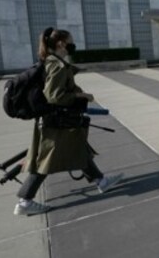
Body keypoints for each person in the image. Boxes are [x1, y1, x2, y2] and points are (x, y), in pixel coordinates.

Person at [14, 28, 123, 216]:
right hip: (57, 121)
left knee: (77, 149)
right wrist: (81, 95)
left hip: (56, 120)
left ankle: (102, 182)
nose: (73, 44)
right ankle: (24, 202)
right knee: (46, 160)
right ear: (61, 44)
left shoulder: (52, 62)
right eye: (71, 41)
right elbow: (54, 96)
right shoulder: (56, 65)